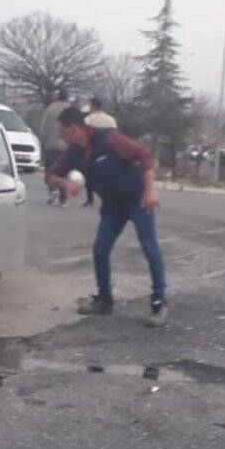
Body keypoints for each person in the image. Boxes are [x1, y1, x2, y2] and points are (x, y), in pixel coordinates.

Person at [46, 107, 168, 327]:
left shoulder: (109, 138)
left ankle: (159, 302)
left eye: (62, 132)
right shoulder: (74, 152)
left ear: (74, 129)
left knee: (149, 248)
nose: (61, 137)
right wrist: (65, 183)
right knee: (100, 249)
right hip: (112, 205)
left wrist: (151, 191)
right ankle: (104, 300)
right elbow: (51, 174)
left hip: (136, 198)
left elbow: (144, 155)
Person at [82, 97, 117, 206]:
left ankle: (90, 199)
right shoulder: (111, 120)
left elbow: (84, 136)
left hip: (93, 150)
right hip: (108, 150)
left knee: (89, 175)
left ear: (92, 106)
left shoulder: (88, 119)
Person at [39, 88, 71, 205]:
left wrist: (43, 141)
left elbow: (43, 128)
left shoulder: (50, 109)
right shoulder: (71, 110)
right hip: (67, 147)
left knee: (51, 170)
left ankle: (52, 191)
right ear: (67, 97)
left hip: (51, 145)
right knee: (65, 171)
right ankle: (63, 198)